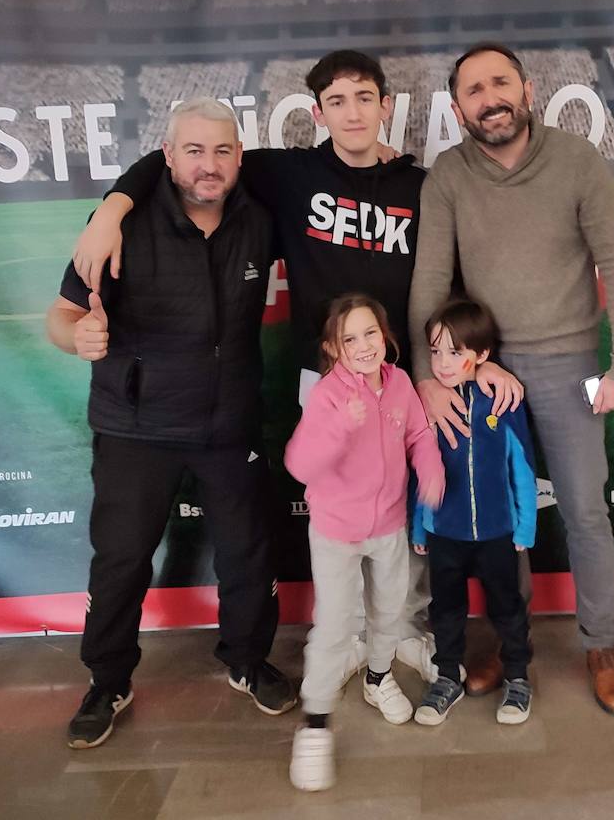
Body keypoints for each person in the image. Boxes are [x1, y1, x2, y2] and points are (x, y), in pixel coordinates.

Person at [70, 50, 522, 685]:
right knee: (339, 520)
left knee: (399, 516)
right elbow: (187, 160)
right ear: (317, 113)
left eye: (365, 97)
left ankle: (401, 637)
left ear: (387, 106)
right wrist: (114, 207)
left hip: (398, 380)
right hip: (326, 382)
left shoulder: (422, 185)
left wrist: (477, 363)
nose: (353, 111)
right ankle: (343, 640)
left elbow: (463, 283)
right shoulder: (287, 176)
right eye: (336, 101)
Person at [44, 97, 296, 750]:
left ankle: (246, 658)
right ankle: (108, 680)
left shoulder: (259, 220)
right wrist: (82, 338)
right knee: (123, 560)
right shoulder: (118, 228)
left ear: (240, 156)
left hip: (228, 422)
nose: (208, 165)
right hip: (136, 424)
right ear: (167, 155)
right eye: (193, 150)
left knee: (247, 552)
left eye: (221, 151)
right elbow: (60, 316)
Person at [408, 43, 614, 715]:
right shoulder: (448, 175)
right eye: (474, 90)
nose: (490, 98)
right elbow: (429, 279)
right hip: (479, 371)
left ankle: (602, 642)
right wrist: (433, 375)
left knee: (584, 510)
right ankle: (514, 649)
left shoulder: (577, 160)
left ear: (528, 89)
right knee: (492, 520)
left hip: (569, 363)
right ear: (458, 109)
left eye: (500, 82)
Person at [283, 293, 445, 791]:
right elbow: (299, 464)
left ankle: (378, 678)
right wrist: (339, 428)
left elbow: (418, 432)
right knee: (334, 625)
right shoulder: (329, 396)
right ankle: (315, 722)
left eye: (370, 333)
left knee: (389, 611)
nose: (363, 345)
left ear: (385, 334)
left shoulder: (397, 383)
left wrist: (431, 468)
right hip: (336, 531)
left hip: (388, 525)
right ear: (333, 347)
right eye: (349, 338)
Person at [412, 298, 536, 726]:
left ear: (482, 355)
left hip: (499, 534)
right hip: (445, 533)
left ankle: (518, 678)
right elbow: (421, 472)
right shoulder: (428, 405)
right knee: (445, 610)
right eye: (435, 351)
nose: (443, 363)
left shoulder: (501, 401)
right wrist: (420, 525)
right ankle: (447, 676)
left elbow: (521, 467)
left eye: (455, 352)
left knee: (507, 607)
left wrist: (525, 526)